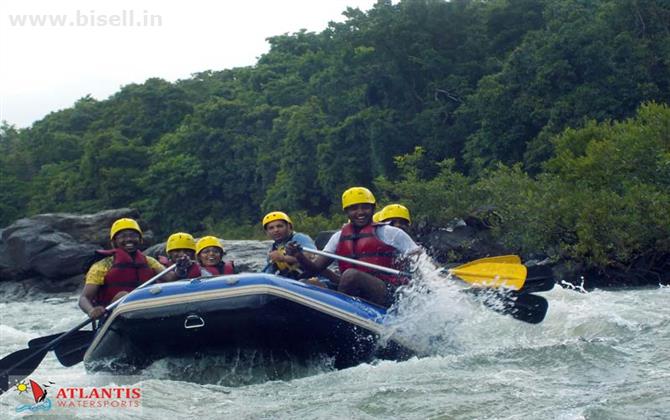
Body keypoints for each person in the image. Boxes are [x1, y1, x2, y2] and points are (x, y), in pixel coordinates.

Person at [287, 187, 421, 307]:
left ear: (373, 208)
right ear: (346, 211)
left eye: (365, 207)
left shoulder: (391, 233)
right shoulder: (338, 237)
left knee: (351, 275)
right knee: (308, 283)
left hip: (387, 290)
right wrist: (298, 255)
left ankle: (339, 311)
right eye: (354, 208)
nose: (360, 212)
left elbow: (420, 262)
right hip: (351, 289)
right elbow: (315, 269)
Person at [79, 218, 165, 320]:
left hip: (146, 310)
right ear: (114, 242)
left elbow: (170, 277)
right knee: (122, 295)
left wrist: (182, 267)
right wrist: (92, 311)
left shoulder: (149, 261)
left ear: (140, 239)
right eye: (122, 236)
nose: (128, 239)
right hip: (114, 316)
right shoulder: (102, 265)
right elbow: (84, 298)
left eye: (133, 235)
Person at [262, 211, 318, 280]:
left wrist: (283, 258)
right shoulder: (272, 250)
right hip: (293, 282)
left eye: (280, 226)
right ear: (267, 232)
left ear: (289, 227)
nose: (276, 230)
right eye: (271, 228)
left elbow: (312, 256)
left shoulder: (300, 238)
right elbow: (268, 273)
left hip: (314, 278)